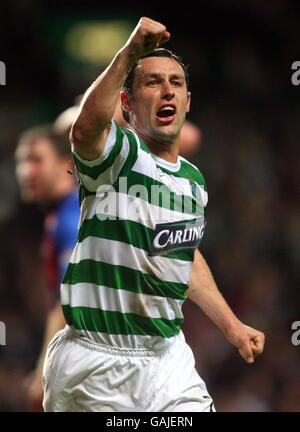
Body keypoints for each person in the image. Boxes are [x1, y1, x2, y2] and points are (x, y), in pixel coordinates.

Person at [42, 17, 265, 412]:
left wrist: (231, 326)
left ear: (187, 101)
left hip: (166, 359)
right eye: (152, 82)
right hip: (96, 365)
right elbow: (84, 132)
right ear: (126, 104)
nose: (167, 91)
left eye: (176, 83)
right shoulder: (119, 155)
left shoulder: (194, 183)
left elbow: (181, 258)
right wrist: (128, 55)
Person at [15, 120, 80, 411]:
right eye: (22, 162)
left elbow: (70, 299)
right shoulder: (61, 214)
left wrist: (45, 368)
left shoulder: (71, 219)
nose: (26, 172)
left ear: (66, 164)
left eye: (37, 160)